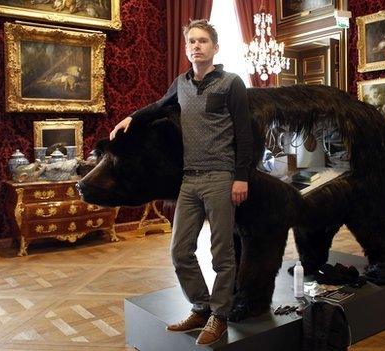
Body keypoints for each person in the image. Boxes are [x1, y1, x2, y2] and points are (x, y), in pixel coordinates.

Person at [109, 19, 253, 346]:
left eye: (202, 41)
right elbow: (159, 106)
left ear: (215, 47)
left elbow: (244, 135)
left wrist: (241, 176)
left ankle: (220, 314)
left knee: (221, 254)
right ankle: (201, 306)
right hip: (189, 180)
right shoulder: (181, 83)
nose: (196, 46)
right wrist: (131, 117)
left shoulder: (231, 83)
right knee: (180, 252)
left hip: (221, 177)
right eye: (191, 42)